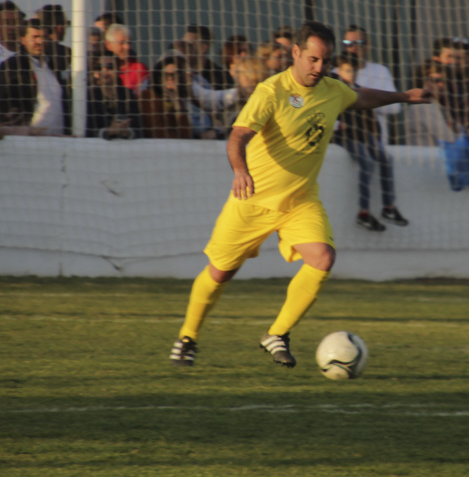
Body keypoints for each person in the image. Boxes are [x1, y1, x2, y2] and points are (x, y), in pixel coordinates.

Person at [168, 21, 429, 368]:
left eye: (325, 61)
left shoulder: (332, 89)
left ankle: (277, 333)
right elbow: (237, 137)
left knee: (322, 258)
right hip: (253, 201)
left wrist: (405, 96)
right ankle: (187, 338)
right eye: (313, 59)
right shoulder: (271, 91)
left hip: (300, 201)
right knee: (220, 272)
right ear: (295, 53)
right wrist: (241, 170)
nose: (319, 68)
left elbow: (362, 97)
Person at [333, 52, 409, 231]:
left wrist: (374, 136)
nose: (351, 74)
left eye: (353, 71)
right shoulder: (333, 89)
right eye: (346, 70)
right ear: (339, 70)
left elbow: (371, 116)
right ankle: (364, 212)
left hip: (365, 135)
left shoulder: (359, 90)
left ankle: (388, 206)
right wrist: (336, 125)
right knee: (366, 163)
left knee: (385, 158)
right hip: (346, 137)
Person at [0, 19, 64, 136]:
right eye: (35, 37)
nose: (40, 41)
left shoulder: (52, 66)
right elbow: (4, 106)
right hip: (29, 141)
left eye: (44, 37)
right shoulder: (14, 65)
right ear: (22, 39)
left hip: (58, 140)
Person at [86, 54, 142, 140]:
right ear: (95, 72)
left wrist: (126, 132)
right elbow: (84, 130)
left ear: (119, 71)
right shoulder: (88, 96)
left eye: (110, 66)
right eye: (99, 67)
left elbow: (139, 128)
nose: (104, 70)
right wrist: (108, 132)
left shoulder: (128, 94)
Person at [183, 25, 230, 89]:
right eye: (182, 44)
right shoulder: (179, 74)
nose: (184, 48)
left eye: (189, 45)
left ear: (203, 48)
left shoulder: (221, 77)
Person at [104, 24, 149, 92]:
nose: (127, 47)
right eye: (121, 43)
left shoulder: (139, 69)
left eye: (129, 43)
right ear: (108, 44)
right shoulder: (101, 69)